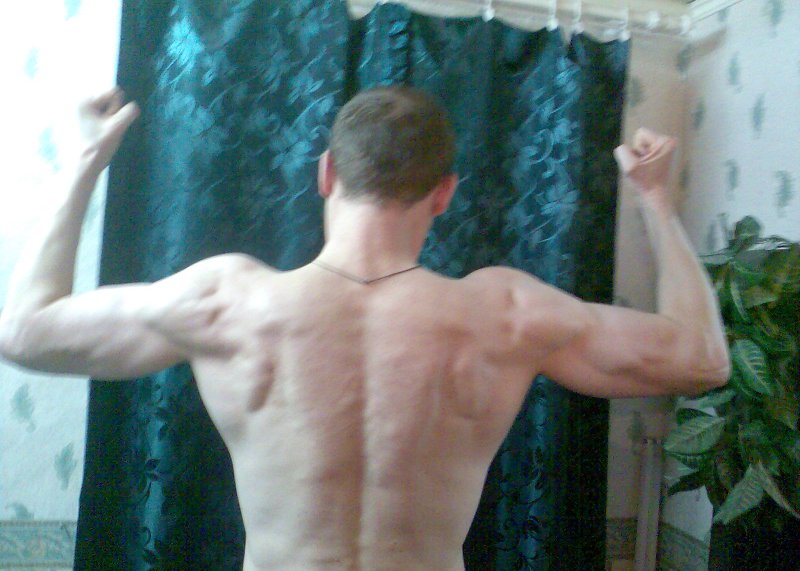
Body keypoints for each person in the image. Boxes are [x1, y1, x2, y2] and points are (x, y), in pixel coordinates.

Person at [0, 86, 729, 571]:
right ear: (443, 194)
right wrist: (655, 199)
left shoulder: (225, 302)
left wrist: (88, 158)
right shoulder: (506, 314)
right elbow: (701, 358)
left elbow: (24, 330)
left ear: (325, 174)